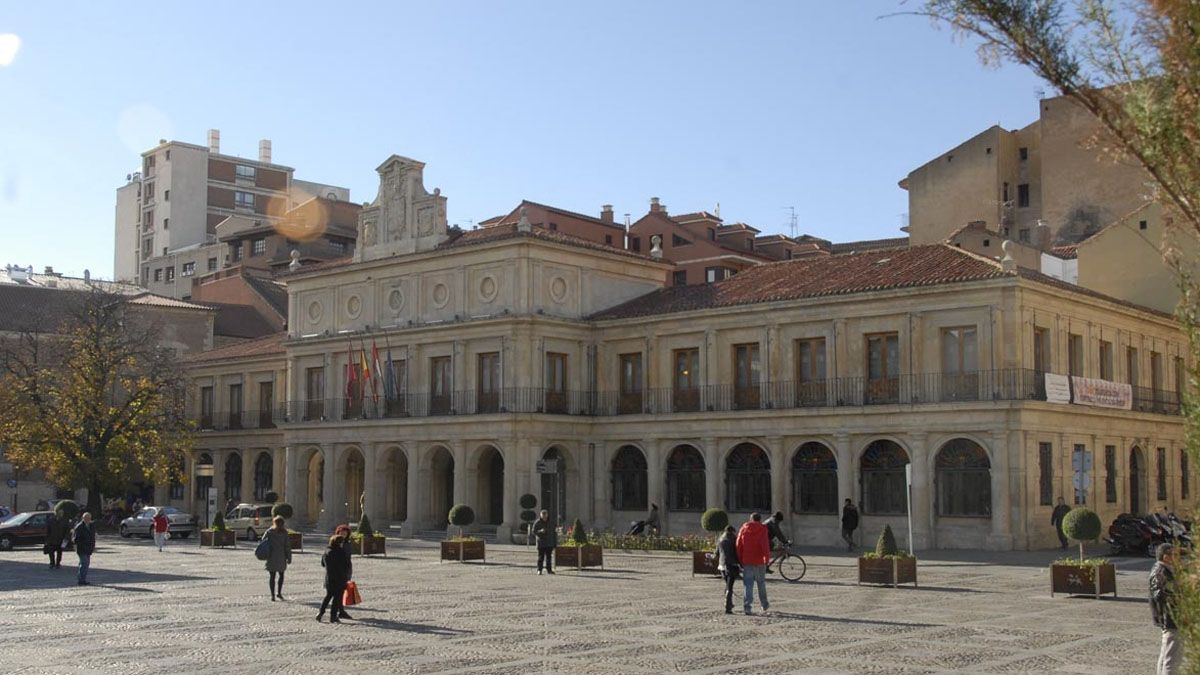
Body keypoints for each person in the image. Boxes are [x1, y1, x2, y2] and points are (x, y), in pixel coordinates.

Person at [1150, 543, 1180, 674]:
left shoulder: (1166, 570)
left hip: (1169, 617)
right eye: (1174, 555)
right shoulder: (1161, 571)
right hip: (1171, 618)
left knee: (1166, 654)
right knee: (1172, 659)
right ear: (1166, 557)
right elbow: (1160, 595)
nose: (1177, 558)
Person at [735, 513, 770, 615]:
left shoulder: (744, 528)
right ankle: (764, 604)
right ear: (760, 520)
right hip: (760, 560)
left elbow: (738, 544)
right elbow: (765, 545)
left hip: (747, 560)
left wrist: (740, 558)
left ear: (750, 519)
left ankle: (747, 607)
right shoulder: (763, 529)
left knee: (748, 585)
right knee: (761, 583)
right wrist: (766, 559)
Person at [318, 533, 352, 623]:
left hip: (329, 578)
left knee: (328, 597)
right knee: (337, 599)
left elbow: (322, 564)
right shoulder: (340, 552)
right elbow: (346, 565)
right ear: (339, 543)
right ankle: (333, 617)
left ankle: (320, 613)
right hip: (339, 578)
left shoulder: (327, 551)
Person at [263, 516, 291, 601]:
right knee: (281, 575)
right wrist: (289, 557)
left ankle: (272, 595)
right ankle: (279, 592)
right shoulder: (284, 533)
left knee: (272, 576)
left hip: (271, 556)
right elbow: (287, 546)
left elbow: (263, 540)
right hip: (281, 557)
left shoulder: (269, 532)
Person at [716, 525, 740, 614]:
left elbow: (717, 552)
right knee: (730, 586)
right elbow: (737, 552)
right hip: (731, 565)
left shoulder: (720, 539)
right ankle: (728, 606)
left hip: (722, 565)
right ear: (732, 531)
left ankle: (729, 603)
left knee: (727, 585)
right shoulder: (734, 539)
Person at [332, 524, 354, 619]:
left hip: (345, 570)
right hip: (337, 571)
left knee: (341, 592)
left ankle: (340, 611)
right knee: (336, 593)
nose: (343, 535)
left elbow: (348, 558)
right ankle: (337, 612)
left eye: (345, 534)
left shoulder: (347, 544)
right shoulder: (335, 544)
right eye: (341, 533)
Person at [72, 512, 96, 586]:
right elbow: (75, 539)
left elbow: (93, 536)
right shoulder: (79, 527)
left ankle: (82, 578)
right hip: (82, 548)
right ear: (83, 518)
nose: (88, 520)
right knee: (84, 563)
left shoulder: (91, 526)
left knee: (85, 564)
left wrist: (93, 546)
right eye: (86, 518)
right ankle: (81, 580)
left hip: (89, 548)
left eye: (89, 518)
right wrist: (81, 543)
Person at [532, 509, 556, 575]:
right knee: (540, 557)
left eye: (545, 515)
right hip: (541, 543)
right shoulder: (537, 522)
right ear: (541, 515)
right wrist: (540, 531)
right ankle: (539, 570)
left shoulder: (551, 522)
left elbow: (554, 533)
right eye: (543, 516)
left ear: (547, 515)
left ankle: (549, 570)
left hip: (549, 542)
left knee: (549, 558)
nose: (544, 517)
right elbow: (533, 531)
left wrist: (554, 543)